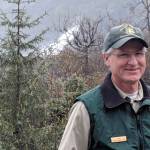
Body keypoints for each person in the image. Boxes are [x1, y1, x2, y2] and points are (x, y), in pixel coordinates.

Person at [58, 23, 150, 150]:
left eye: (139, 53)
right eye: (124, 55)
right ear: (106, 58)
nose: (133, 62)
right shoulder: (87, 109)